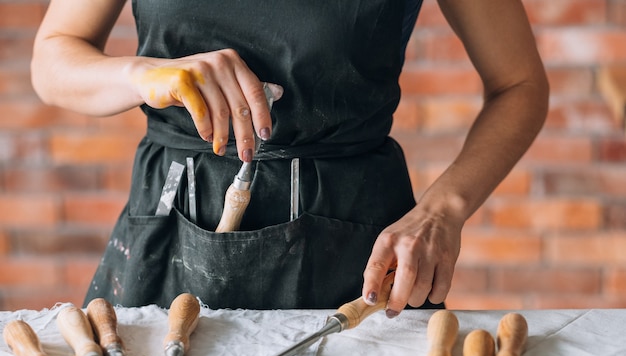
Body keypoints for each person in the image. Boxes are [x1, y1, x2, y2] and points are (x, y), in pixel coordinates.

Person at [31, 0, 549, 315]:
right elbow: (54, 58)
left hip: (352, 241)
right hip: (169, 226)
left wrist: (443, 211)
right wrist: (141, 75)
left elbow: (519, 85)